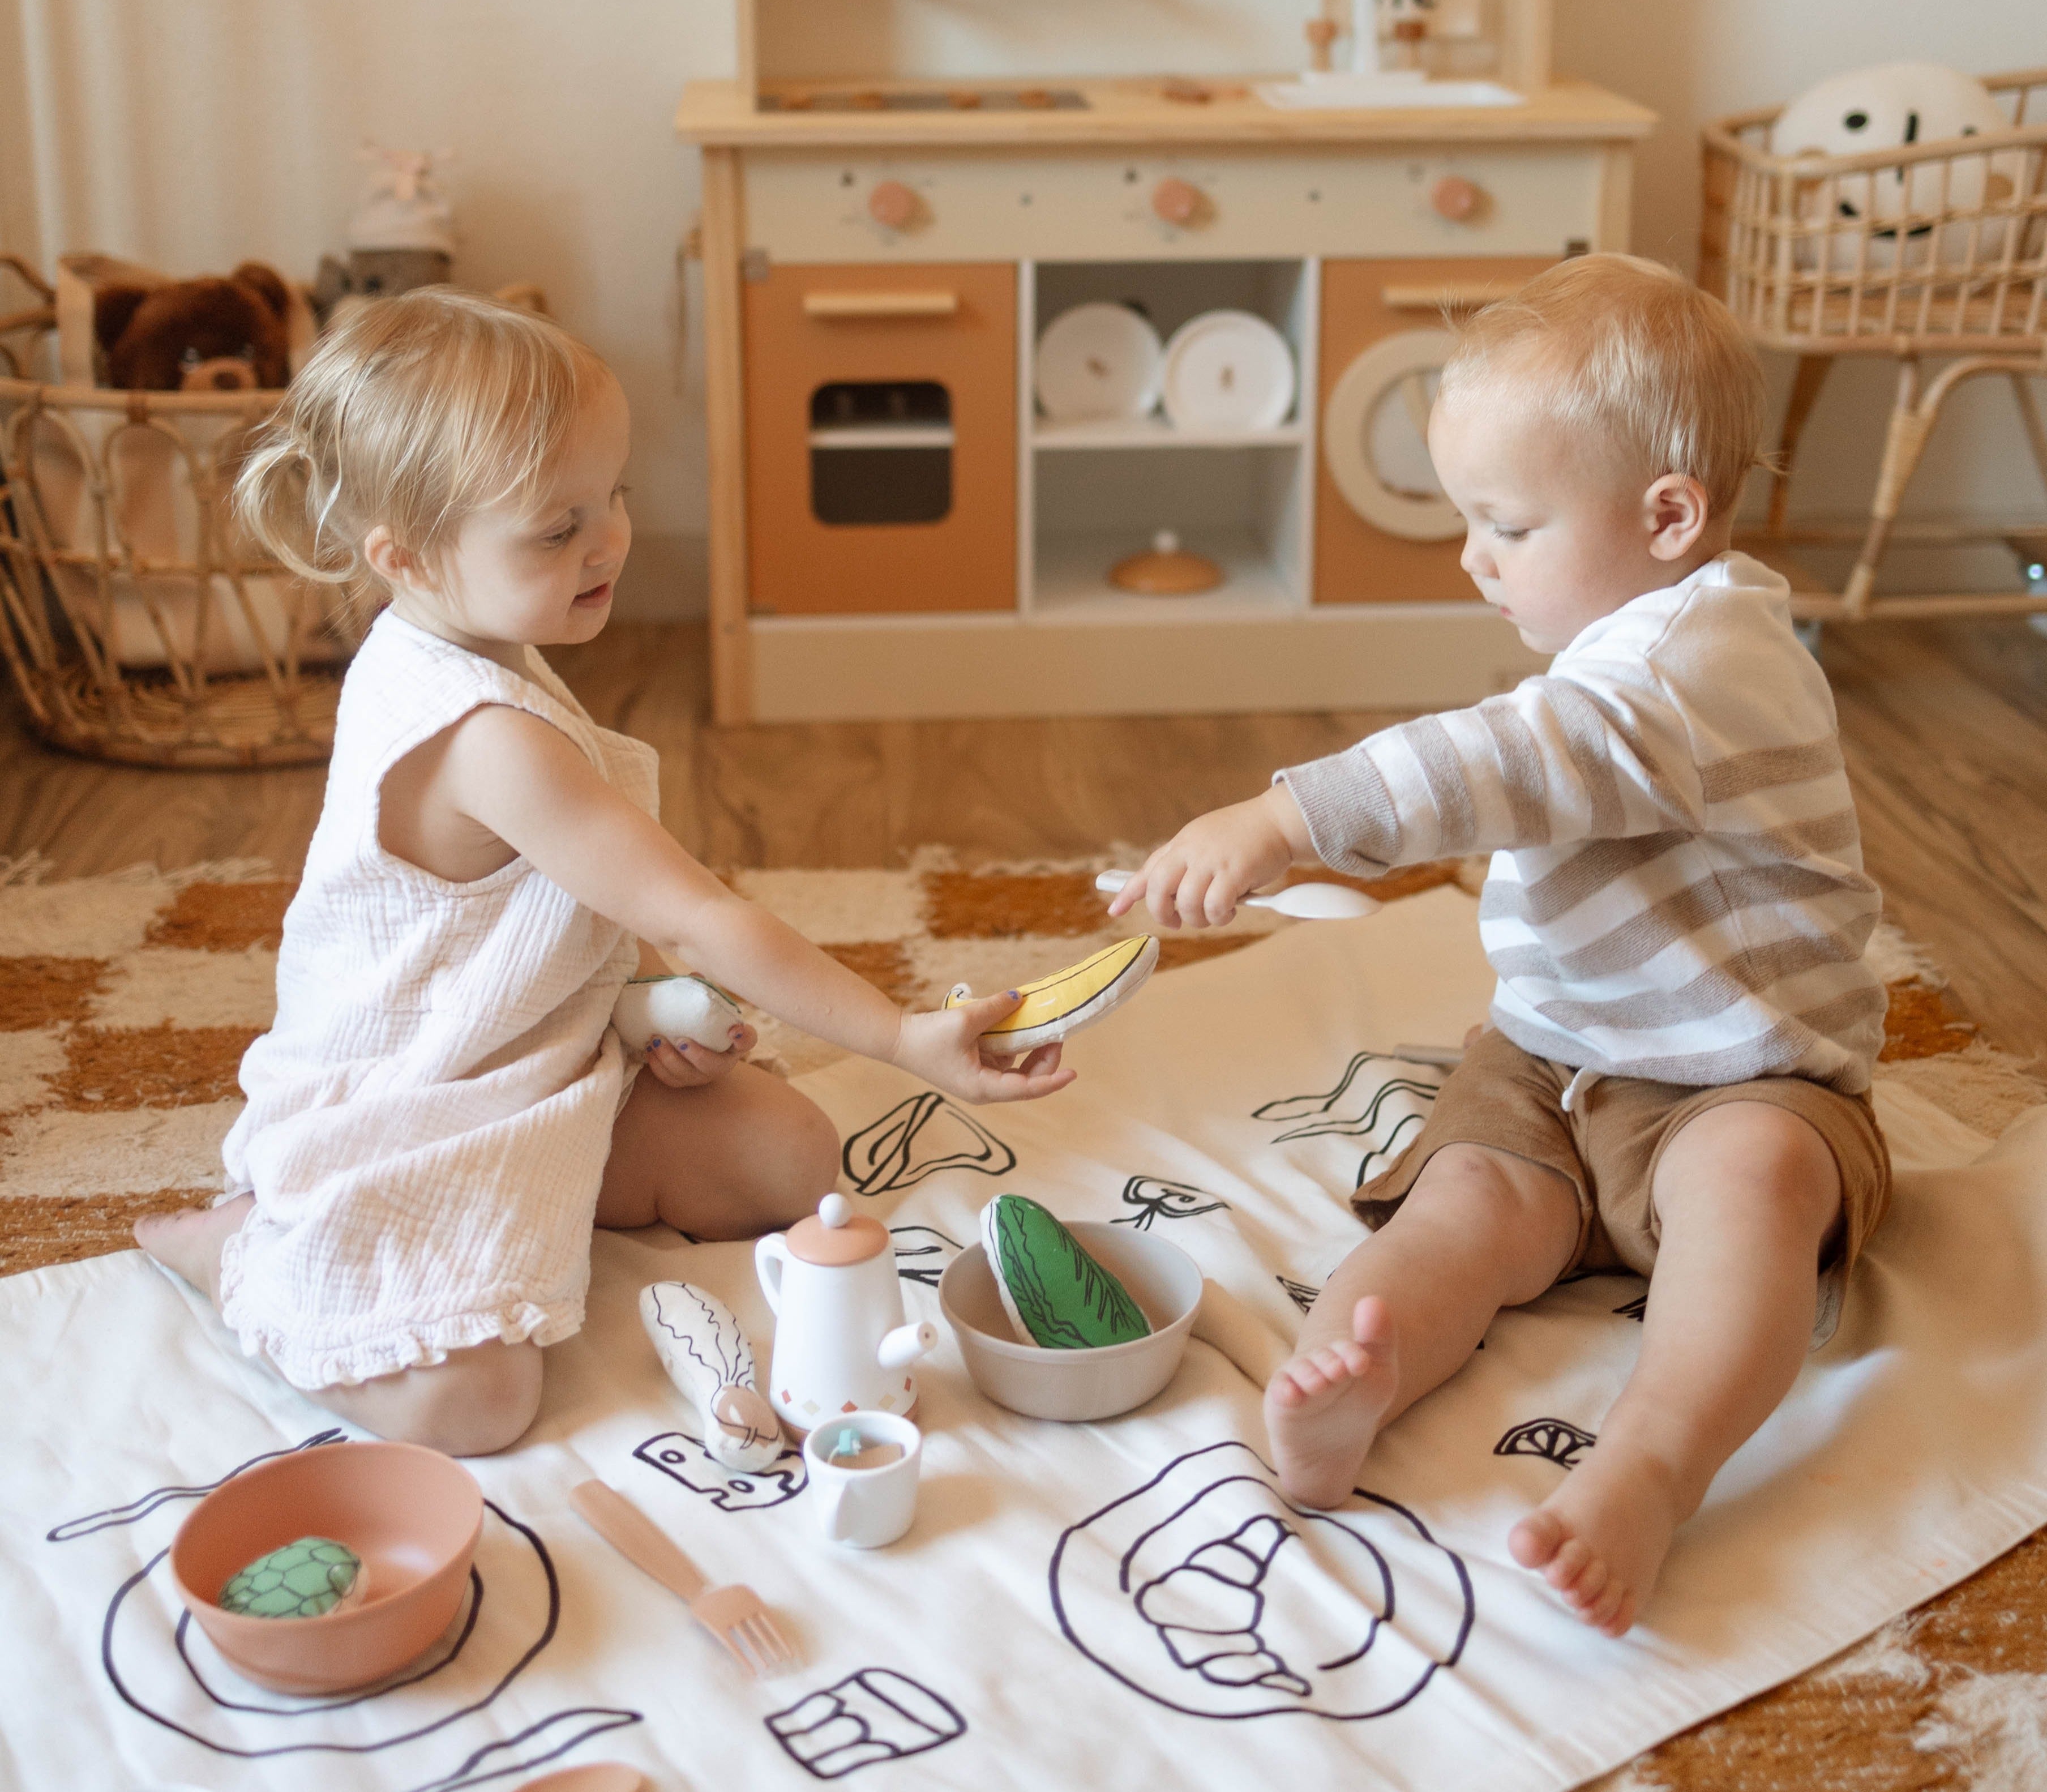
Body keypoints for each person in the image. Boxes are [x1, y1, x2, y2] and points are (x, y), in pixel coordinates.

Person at [138, 290, 1070, 1456]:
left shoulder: (465, 630)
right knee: (474, 1405)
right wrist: (897, 1034)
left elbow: (545, 911)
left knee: (793, 1157)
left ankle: (558, 1183)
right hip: (420, 1104)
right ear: (407, 556)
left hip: (538, 1059)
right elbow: (699, 911)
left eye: (614, 495)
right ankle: (237, 1252)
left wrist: (631, 1011)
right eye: (555, 526)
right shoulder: (487, 737)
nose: (609, 539)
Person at [1108, 255, 1890, 1637]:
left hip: (1741, 1074)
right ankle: (1353, 1372)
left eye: (1508, 524)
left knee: (1753, 1177)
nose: (1472, 558)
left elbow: (1509, 758)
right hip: (1555, 1061)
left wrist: (1288, 814)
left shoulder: (1697, 662)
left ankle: (1647, 1465)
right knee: (1465, 1198)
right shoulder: (1625, 646)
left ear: (1667, 515)